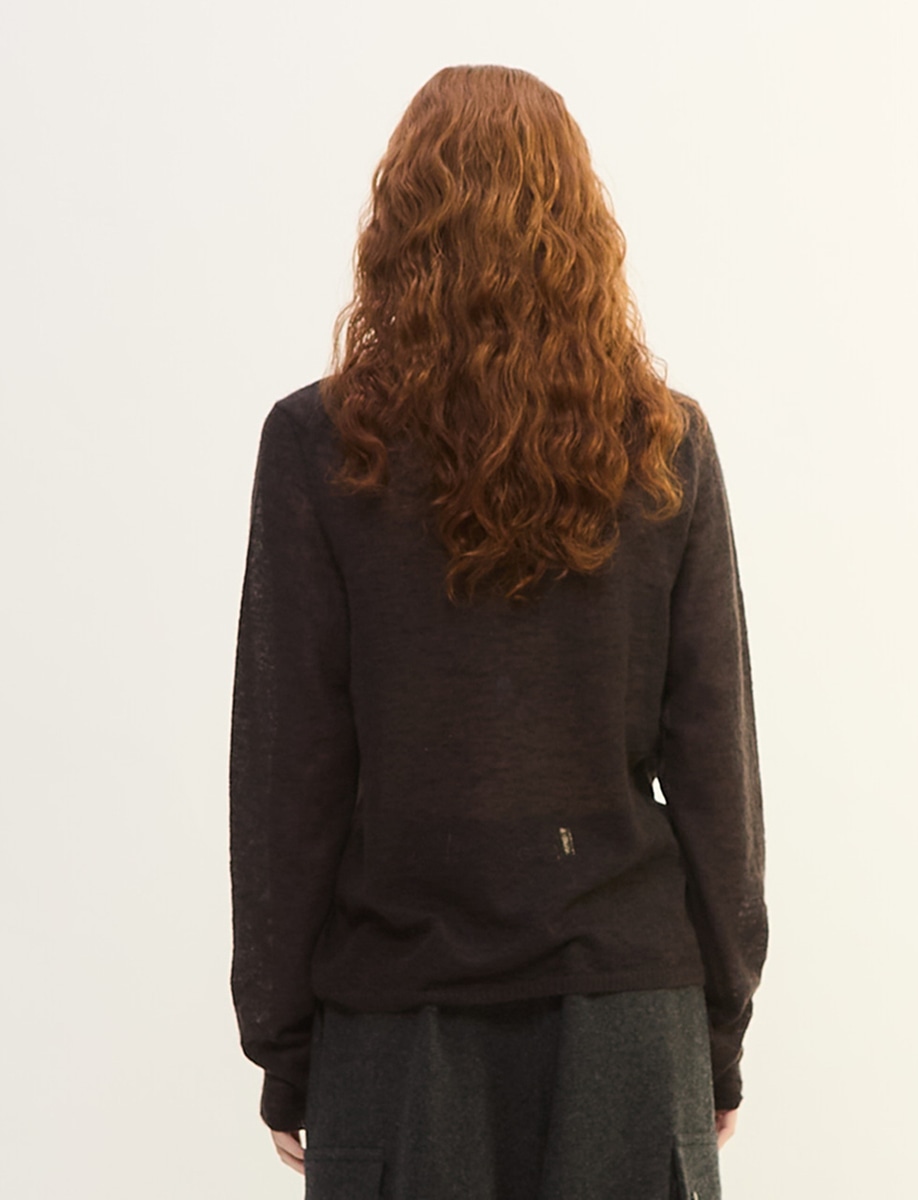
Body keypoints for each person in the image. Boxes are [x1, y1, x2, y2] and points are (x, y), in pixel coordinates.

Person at [229, 63, 768, 1200]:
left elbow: (289, 776)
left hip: (395, 1023)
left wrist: (285, 1047)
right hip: (628, 1014)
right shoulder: (662, 446)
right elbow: (716, 770)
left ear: (398, 224)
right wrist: (716, 1032)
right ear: (581, 228)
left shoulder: (321, 447)